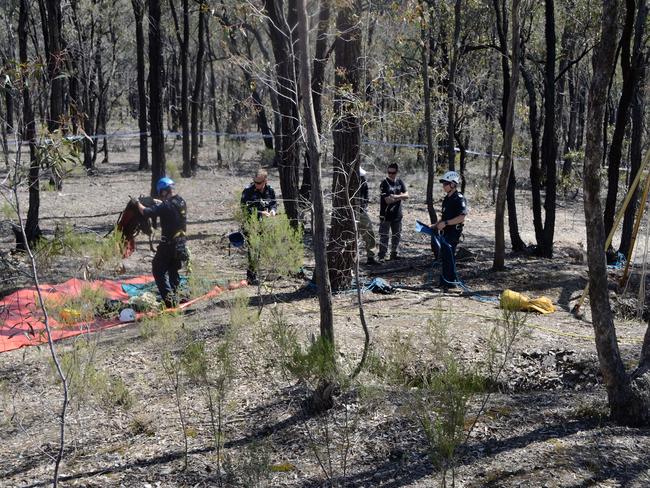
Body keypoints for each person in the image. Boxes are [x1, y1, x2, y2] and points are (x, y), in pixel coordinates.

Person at [136, 177, 188, 308]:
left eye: (161, 193)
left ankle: (170, 303)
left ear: (164, 192)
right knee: (173, 271)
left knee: (158, 270)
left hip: (168, 245)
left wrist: (136, 203)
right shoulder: (181, 201)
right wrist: (157, 202)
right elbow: (168, 206)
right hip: (180, 244)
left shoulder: (165, 206)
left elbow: (146, 212)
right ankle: (175, 297)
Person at [430, 171, 468, 289]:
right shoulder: (446, 199)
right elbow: (445, 216)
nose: (443, 186)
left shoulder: (459, 198)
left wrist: (445, 223)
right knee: (445, 256)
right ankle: (446, 282)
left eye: (445, 183)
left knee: (449, 256)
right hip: (446, 231)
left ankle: (450, 283)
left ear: (452, 184)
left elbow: (461, 217)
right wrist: (436, 224)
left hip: (454, 232)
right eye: (443, 183)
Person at [240, 168, 278, 284]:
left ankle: (272, 272)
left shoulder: (270, 190)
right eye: (255, 182)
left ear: (265, 181)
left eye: (259, 183)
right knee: (254, 250)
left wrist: (272, 211)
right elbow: (244, 209)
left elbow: (274, 203)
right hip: (252, 225)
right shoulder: (248, 191)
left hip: (266, 226)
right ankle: (251, 276)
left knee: (266, 249)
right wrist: (260, 213)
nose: (256, 185)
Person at [378, 162, 409, 262]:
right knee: (384, 236)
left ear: (397, 172)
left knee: (396, 235)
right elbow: (387, 200)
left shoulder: (400, 181)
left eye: (393, 172)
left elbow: (407, 195)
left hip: (397, 214)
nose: (390, 174)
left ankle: (393, 253)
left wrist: (396, 196)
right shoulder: (384, 183)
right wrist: (401, 197)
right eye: (389, 172)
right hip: (386, 215)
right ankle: (382, 256)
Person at [358, 167, 378, 265]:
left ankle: (371, 257)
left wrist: (364, 207)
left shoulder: (363, 181)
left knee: (369, 232)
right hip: (349, 212)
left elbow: (365, 196)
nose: (361, 177)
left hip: (361, 211)